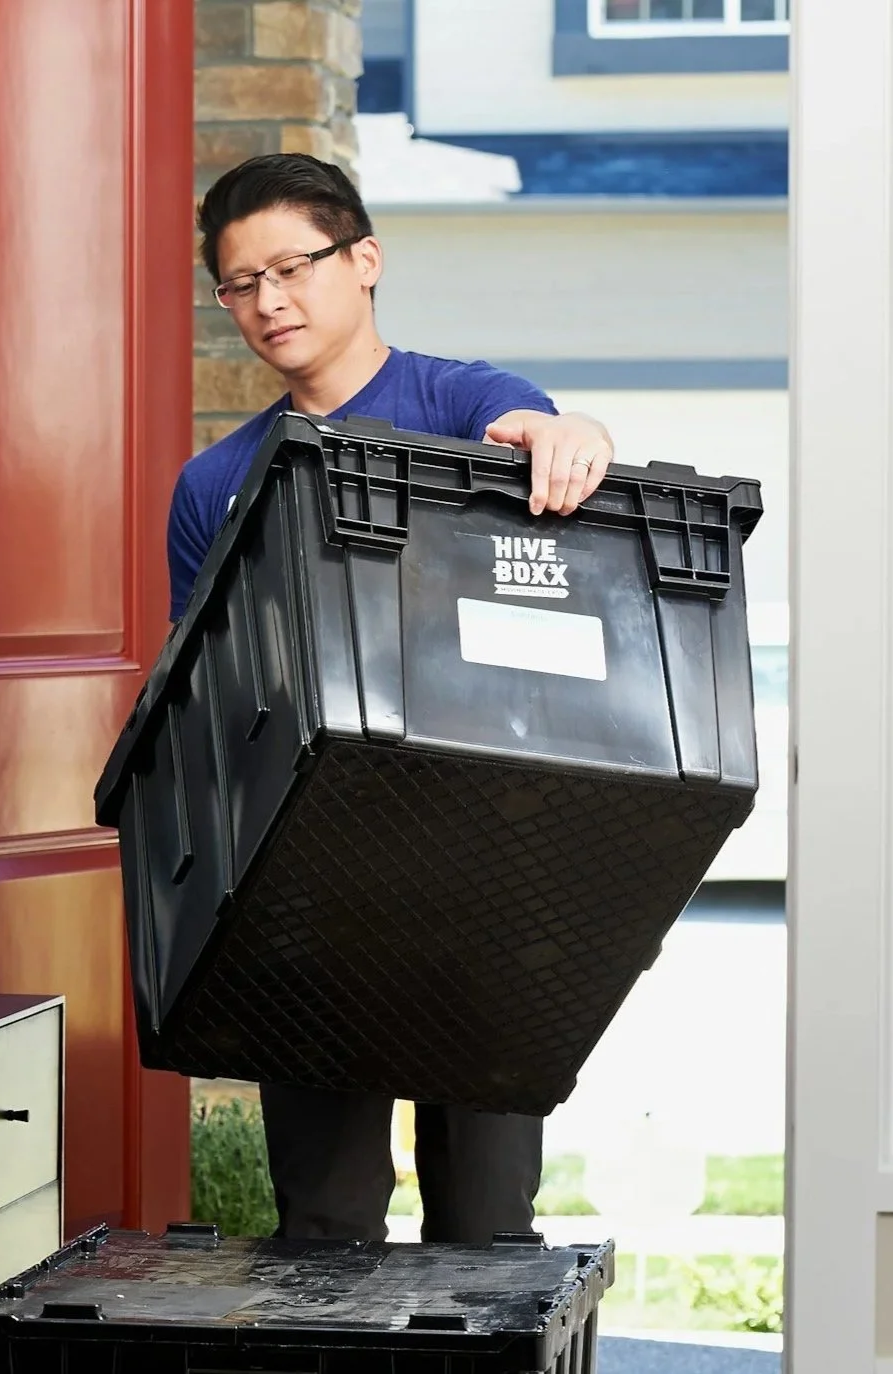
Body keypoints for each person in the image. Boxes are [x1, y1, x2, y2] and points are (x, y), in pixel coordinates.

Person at [167, 153, 615, 1246]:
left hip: (493, 885)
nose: (269, 302)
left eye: (293, 266)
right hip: (309, 895)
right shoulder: (214, 483)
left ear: (363, 260)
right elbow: (202, 697)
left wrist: (570, 437)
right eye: (240, 283)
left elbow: (538, 428)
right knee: (321, 1224)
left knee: (488, 1224)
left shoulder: (459, 402)